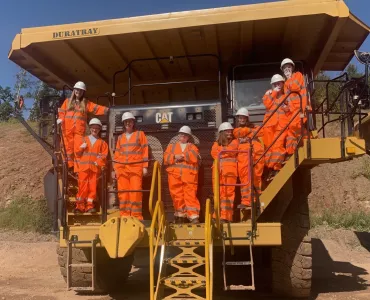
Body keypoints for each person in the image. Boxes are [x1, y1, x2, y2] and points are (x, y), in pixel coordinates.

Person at [57, 81, 109, 171]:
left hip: (78, 132)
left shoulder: (85, 103)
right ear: (74, 90)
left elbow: (95, 108)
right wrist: (61, 118)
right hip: (66, 131)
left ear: (83, 92)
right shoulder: (67, 102)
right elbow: (62, 111)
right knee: (67, 150)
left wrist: (107, 110)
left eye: (81, 90)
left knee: (78, 150)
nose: (79, 91)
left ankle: (77, 170)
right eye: (77, 89)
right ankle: (69, 167)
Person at [113, 112, 148, 220]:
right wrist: (115, 169)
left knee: (136, 192)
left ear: (133, 123)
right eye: (126, 122)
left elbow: (145, 151)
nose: (128, 123)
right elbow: (117, 155)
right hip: (122, 169)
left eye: (130, 121)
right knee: (123, 194)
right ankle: (125, 216)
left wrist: (145, 167)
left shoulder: (140, 134)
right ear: (124, 123)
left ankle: (136, 216)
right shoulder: (120, 138)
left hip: (135, 168)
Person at [164, 126, 200, 224]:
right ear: (178, 135)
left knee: (190, 195)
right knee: (177, 196)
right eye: (181, 134)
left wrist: (182, 156)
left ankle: (193, 216)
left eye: (185, 135)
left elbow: (194, 157)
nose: (183, 136)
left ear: (188, 137)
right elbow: (166, 158)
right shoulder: (172, 146)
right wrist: (175, 156)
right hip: (174, 176)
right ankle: (180, 216)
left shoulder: (192, 147)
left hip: (189, 177)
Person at [233, 108, 264, 211]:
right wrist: (251, 132)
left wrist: (248, 135)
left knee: (256, 176)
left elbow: (261, 131)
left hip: (256, 153)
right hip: (244, 155)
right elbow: (238, 133)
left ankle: (255, 197)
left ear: (247, 118)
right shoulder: (236, 130)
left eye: (243, 117)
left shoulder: (254, 127)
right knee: (245, 177)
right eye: (239, 117)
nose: (241, 119)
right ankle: (247, 201)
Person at [74, 118, 108, 213]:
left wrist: (98, 161)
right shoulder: (83, 140)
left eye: (97, 128)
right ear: (90, 128)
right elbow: (77, 154)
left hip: (94, 169)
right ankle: (79, 206)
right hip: (84, 169)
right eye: (93, 127)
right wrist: (81, 148)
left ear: (99, 129)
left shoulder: (102, 143)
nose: (95, 129)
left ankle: (89, 206)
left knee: (92, 188)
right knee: (82, 187)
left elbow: (104, 155)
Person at [281, 58, 311, 154]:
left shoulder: (298, 75)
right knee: (291, 131)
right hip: (292, 111)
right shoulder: (285, 84)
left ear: (292, 68)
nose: (287, 69)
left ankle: (308, 142)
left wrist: (289, 78)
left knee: (295, 126)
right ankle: (291, 152)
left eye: (288, 67)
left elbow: (295, 88)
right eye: (285, 68)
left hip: (301, 108)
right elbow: (288, 98)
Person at [262, 74, 290, 178]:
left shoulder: (286, 96)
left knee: (278, 146)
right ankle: (270, 168)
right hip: (269, 126)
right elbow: (267, 104)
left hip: (281, 126)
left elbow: (290, 110)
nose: (277, 85)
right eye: (275, 84)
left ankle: (276, 167)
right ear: (272, 85)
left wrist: (286, 107)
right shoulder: (269, 94)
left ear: (283, 84)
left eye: (279, 83)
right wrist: (274, 92)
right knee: (269, 148)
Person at [211, 122, 238, 223]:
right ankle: (217, 215)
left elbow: (232, 150)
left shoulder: (235, 142)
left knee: (228, 194)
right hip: (218, 172)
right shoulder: (215, 144)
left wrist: (222, 151)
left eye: (230, 131)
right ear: (222, 133)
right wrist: (224, 151)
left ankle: (226, 216)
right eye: (227, 131)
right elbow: (214, 153)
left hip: (229, 172)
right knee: (218, 194)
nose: (230, 133)